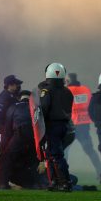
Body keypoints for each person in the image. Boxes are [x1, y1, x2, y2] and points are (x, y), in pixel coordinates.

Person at [0, 90, 46, 189]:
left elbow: (7, 129)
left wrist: (6, 145)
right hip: (34, 137)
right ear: (31, 98)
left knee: (7, 158)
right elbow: (41, 126)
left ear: (19, 98)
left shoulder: (13, 107)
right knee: (33, 161)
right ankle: (37, 183)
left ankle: (3, 183)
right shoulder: (36, 108)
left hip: (19, 135)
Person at [39, 63, 74, 192]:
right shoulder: (67, 91)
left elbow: (43, 109)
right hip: (64, 125)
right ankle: (54, 181)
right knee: (52, 154)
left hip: (51, 125)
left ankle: (65, 182)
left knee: (55, 154)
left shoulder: (46, 91)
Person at [65, 72, 101, 177]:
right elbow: (91, 105)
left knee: (64, 150)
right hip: (84, 125)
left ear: (67, 81)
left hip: (71, 126)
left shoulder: (66, 91)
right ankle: (100, 172)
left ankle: (62, 173)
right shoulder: (86, 90)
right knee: (90, 150)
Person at [0, 74, 22, 189]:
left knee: (7, 156)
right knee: (4, 156)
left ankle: (4, 181)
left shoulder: (10, 96)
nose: (18, 86)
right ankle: (1, 182)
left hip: (11, 131)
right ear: (10, 85)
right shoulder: (4, 97)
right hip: (7, 131)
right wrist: (4, 129)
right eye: (16, 84)